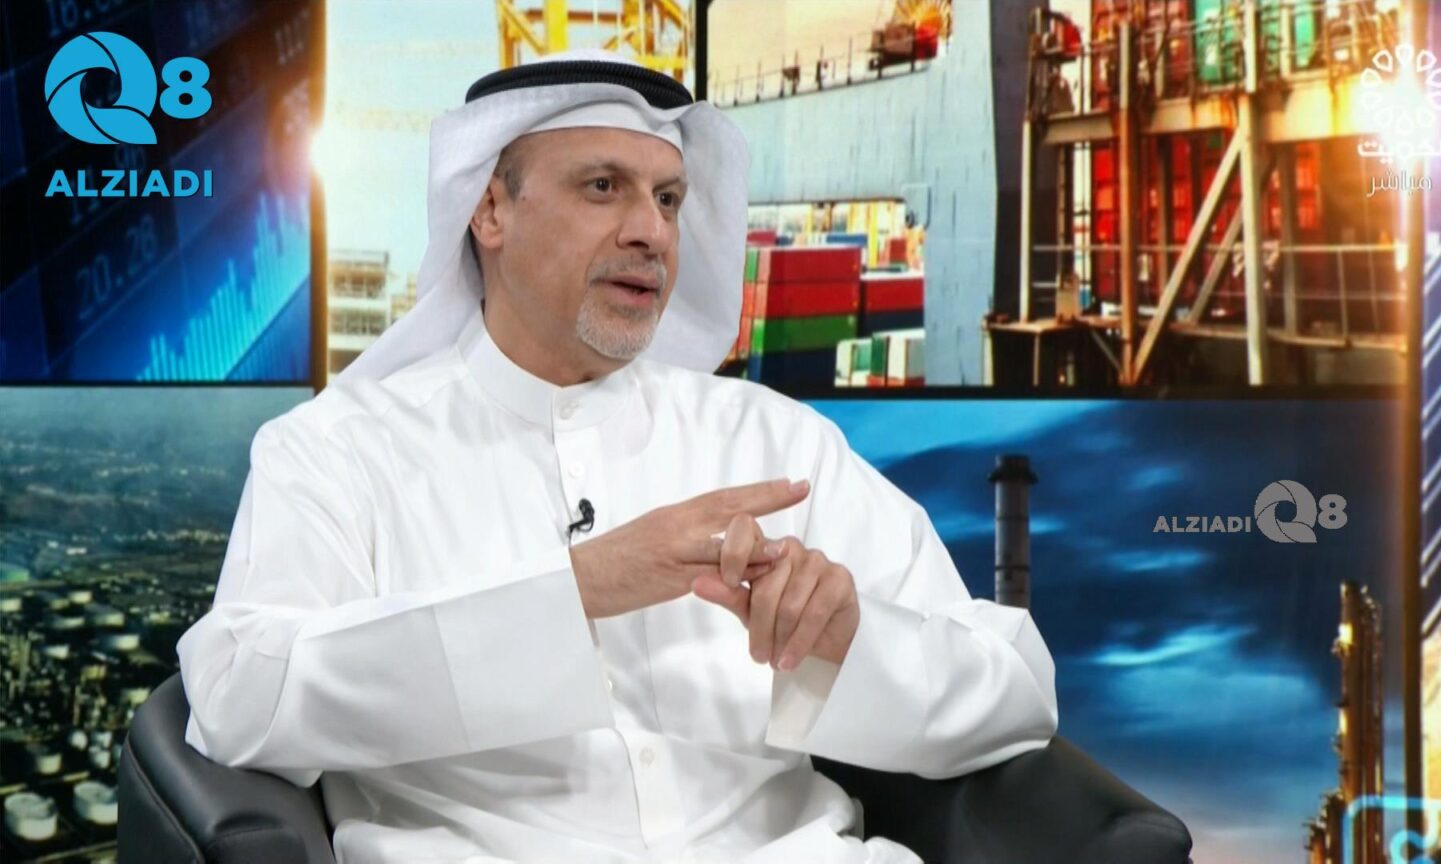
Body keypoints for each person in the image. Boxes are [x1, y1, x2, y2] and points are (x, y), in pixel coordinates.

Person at [176, 48, 1058, 864]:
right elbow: (238, 697)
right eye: (603, 187)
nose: (653, 233)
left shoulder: (774, 444)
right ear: (489, 209)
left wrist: (852, 643)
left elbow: (1016, 690)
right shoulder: (339, 450)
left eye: (668, 200)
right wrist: (579, 592)